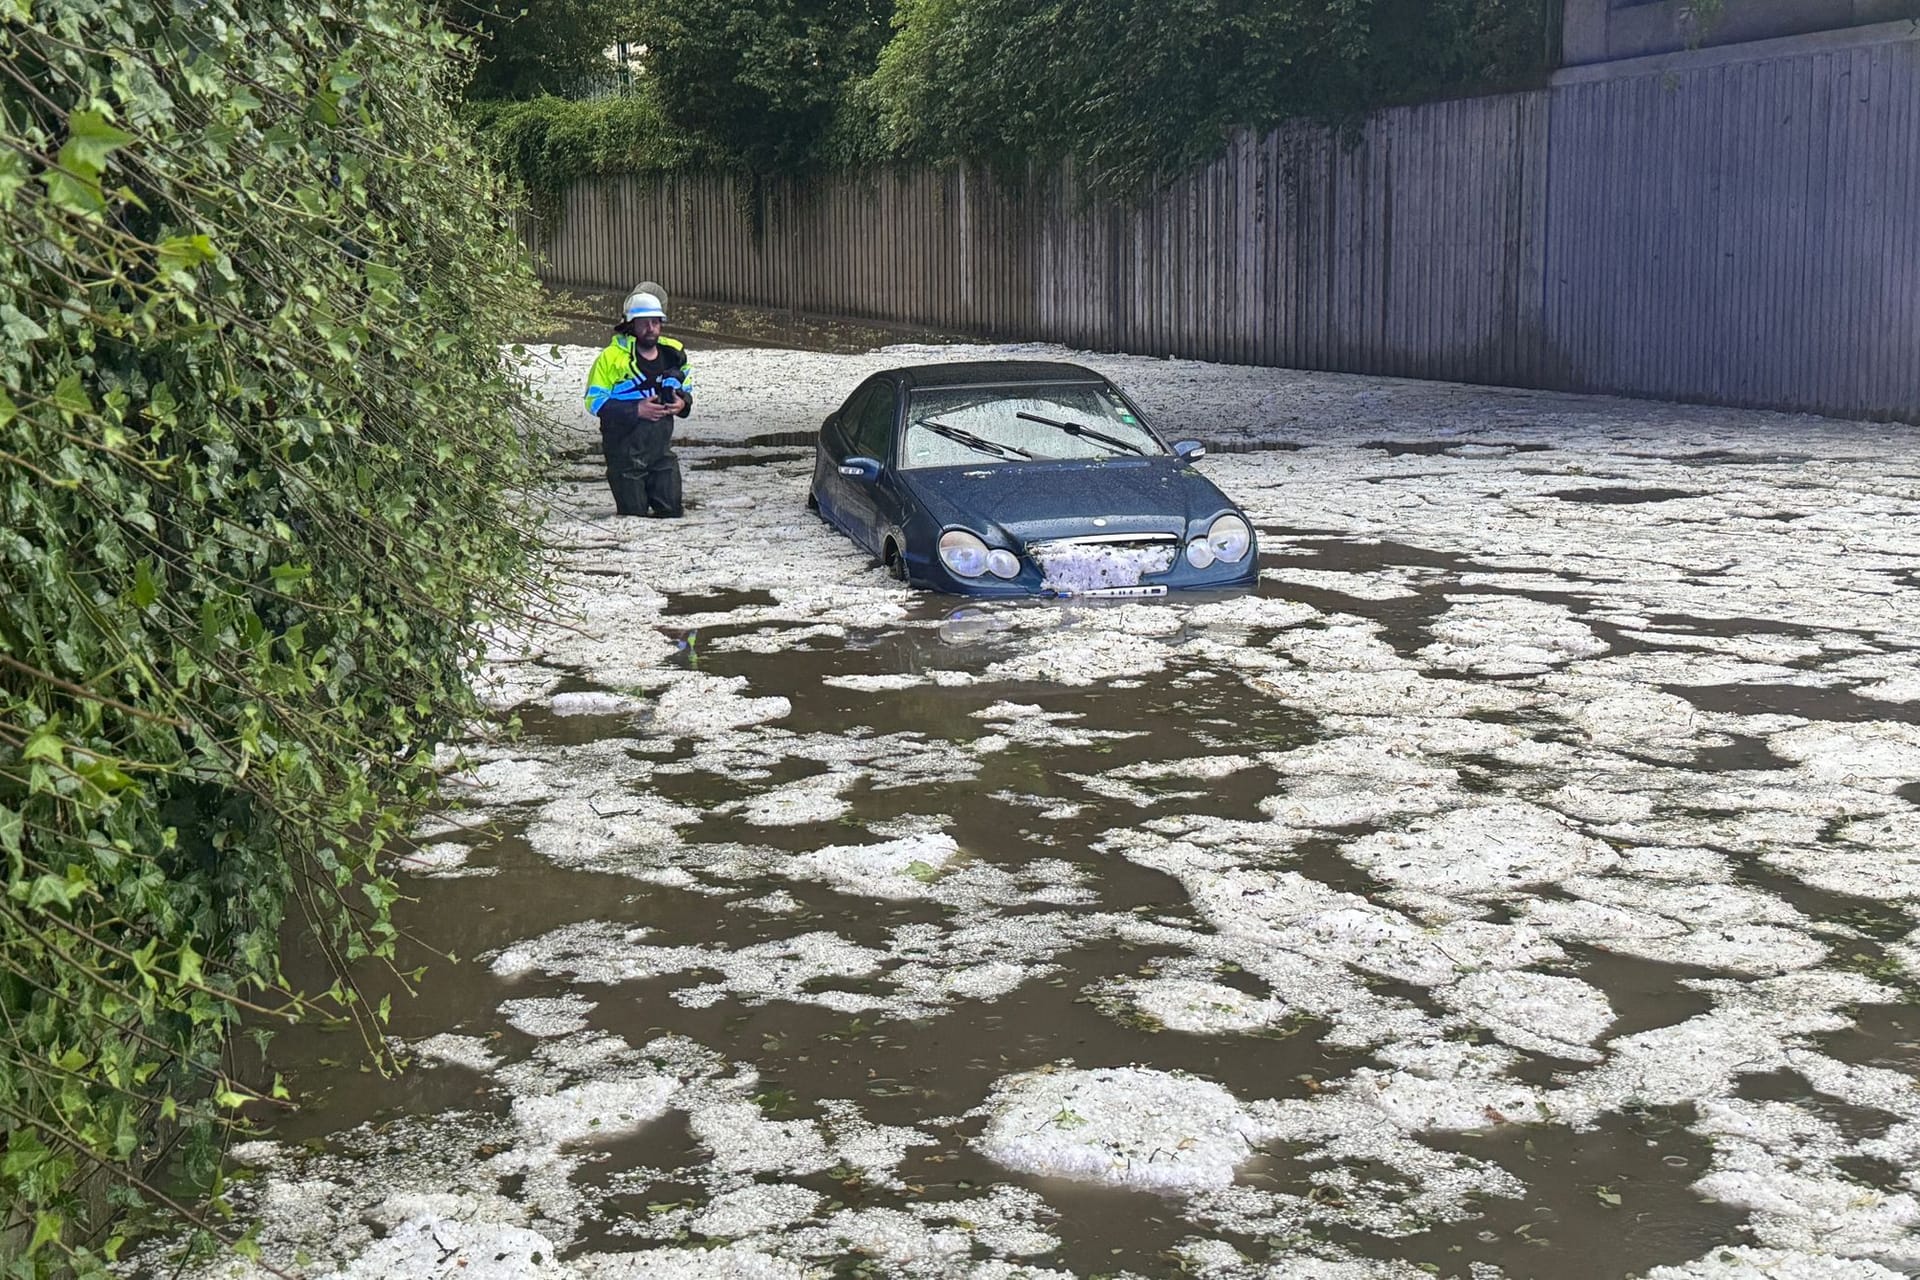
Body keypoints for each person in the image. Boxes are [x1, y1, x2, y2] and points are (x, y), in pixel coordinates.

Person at [583, 292, 693, 518]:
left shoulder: (674, 355)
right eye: (644, 323)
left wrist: (682, 404)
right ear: (631, 325)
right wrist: (636, 410)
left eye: (655, 322)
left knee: (672, 513)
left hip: (660, 454)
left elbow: (687, 390)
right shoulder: (610, 358)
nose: (651, 328)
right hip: (625, 456)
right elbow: (594, 402)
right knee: (634, 515)